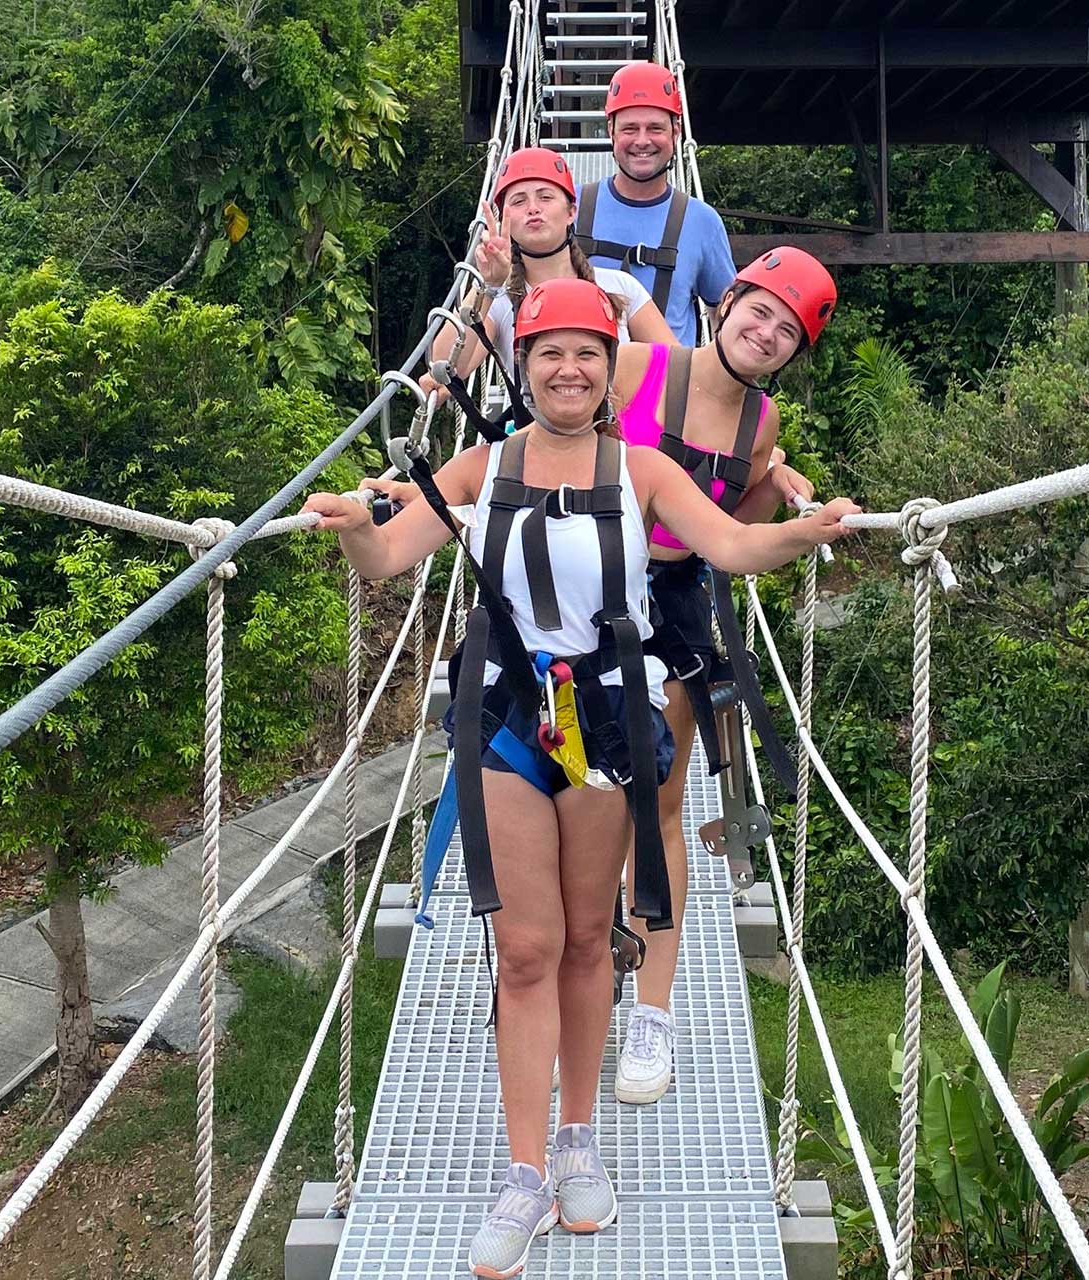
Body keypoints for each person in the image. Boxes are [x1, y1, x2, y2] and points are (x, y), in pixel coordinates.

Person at [304, 277, 857, 1278]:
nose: (568, 368)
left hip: (606, 719)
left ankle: (576, 1138)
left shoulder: (642, 470)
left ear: (610, 371)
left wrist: (804, 533)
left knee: (586, 942)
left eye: (587, 353)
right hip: (510, 719)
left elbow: (732, 543)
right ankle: (524, 1175)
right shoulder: (482, 467)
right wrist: (350, 519)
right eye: (549, 352)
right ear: (524, 366)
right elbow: (384, 556)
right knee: (526, 948)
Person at [608, 246, 839, 1106]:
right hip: (587, 589)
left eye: (787, 331)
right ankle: (579, 969)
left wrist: (775, 491)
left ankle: (652, 1012)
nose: (766, 333)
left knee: (658, 806)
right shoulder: (636, 368)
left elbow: (725, 532)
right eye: (760, 311)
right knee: (580, 799)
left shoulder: (760, 425)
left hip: (671, 605)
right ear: (725, 302)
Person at [420, 145, 676, 435]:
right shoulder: (499, 299)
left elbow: (679, 370)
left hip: (622, 444)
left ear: (571, 212)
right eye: (519, 201)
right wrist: (488, 285)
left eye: (545, 197)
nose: (533, 208)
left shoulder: (620, 286)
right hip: (540, 448)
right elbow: (445, 366)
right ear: (504, 221)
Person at [574, 61, 737, 346]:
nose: (642, 141)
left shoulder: (702, 222)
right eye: (630, 128)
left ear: (676, 131)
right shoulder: (571, 209)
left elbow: (724, 316)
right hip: (583, 371)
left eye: (655, 128)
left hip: (668, 374)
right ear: (611, 130)